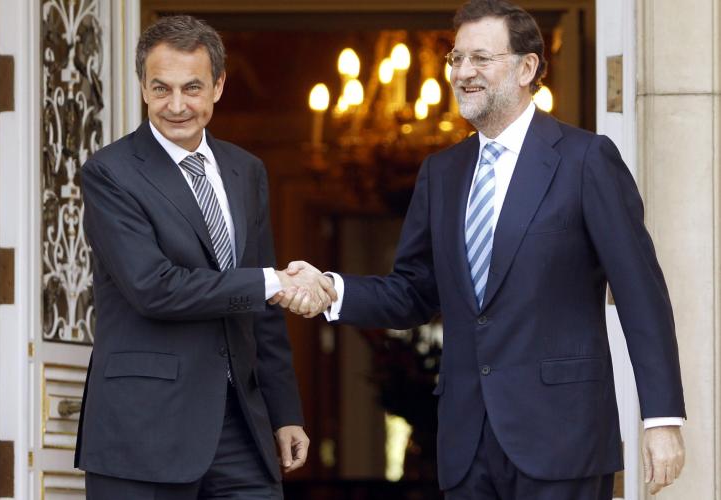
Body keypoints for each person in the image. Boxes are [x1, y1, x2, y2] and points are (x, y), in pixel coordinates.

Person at [272, 1, 686, 499]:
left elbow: (641, 293)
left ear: (527, 68)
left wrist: (661, 418)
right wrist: (330, 289)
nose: (463, 72)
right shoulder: (441, 173)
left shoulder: (585, 160)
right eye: (456, 58)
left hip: (562, 437)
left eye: (481, 58)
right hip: (467, 444)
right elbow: (413, 292)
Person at [75, 15, 336, 500]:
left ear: (218, 86)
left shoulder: (246, 170)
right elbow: (154, 288)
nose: (176, 105)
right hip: (144, 429)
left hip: (241, 425)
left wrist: (285, 413)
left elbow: (263, 311)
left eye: (192, 88)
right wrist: (273, 282)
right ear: (143, 87)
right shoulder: (110, 173)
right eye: (161, 88)